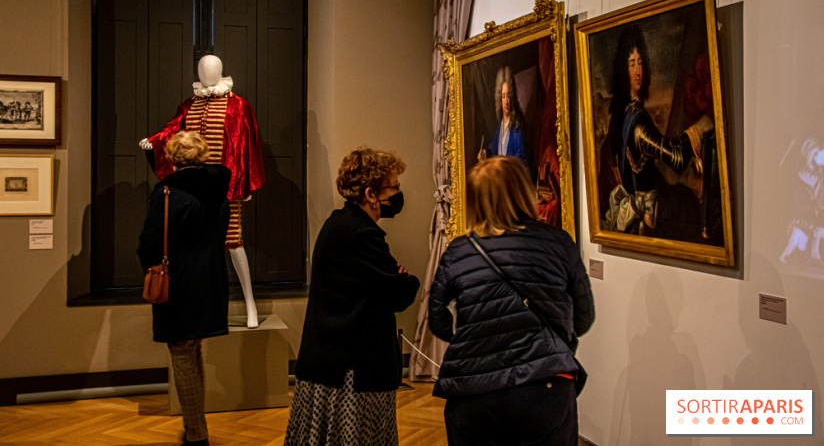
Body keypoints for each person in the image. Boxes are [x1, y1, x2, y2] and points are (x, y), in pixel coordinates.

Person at [428, 156, 594, 446]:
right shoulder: (558, 241)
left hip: (473, 390)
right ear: (523, 191)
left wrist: (470, 338)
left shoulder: (459, 250)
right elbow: (584, 317)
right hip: (545, 384)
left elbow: (437, 318)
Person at [285, 147, 421, 446]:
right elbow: (399, 293)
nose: (398, 194)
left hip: (331, 359)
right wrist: (406, 279)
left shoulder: (340, 224)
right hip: (350, 367)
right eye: (394, 188)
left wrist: (393, 277)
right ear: (371, 194)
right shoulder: (362, 234)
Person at [139, 54, 264, 328]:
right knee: (197, 246)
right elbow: (173, 130)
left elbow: (245, 144)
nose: (207, 74)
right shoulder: (189, 105)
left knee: (233, 242)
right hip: (190, 190)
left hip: (223, 185)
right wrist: (154, 141)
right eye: (203, 70)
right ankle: (208, 309)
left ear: (221, 71)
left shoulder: (238, 106)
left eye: (212, 70)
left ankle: (250, 304)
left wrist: (242, 184)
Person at [137, 131, 231, 446]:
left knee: (182, 353)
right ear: (202, 155)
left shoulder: (167, 193)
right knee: (193, 350)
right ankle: (196, 428)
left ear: (173, 158)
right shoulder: (219, 189)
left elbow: (150, 243)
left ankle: (197, 434)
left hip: (180, 281)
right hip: (212, 279)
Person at [601, 25, 713, 239]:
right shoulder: (635, 119)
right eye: (632, 64)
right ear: (622, 69)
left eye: (640, 63)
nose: (638, 71)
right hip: (649, 218)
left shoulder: (620, 114)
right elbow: (676, 158)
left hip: (642, 211)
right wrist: (702, 125)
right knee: (688, 204)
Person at [479, 66, 527, 164]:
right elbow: (493, 150)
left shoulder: (516, 126)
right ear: (499, 99)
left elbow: (521, 157)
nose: (506, 101)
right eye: (503, 96)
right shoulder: (500, 125)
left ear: (512, 97)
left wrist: (506, 164)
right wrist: (484, 154)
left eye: (508, 96)